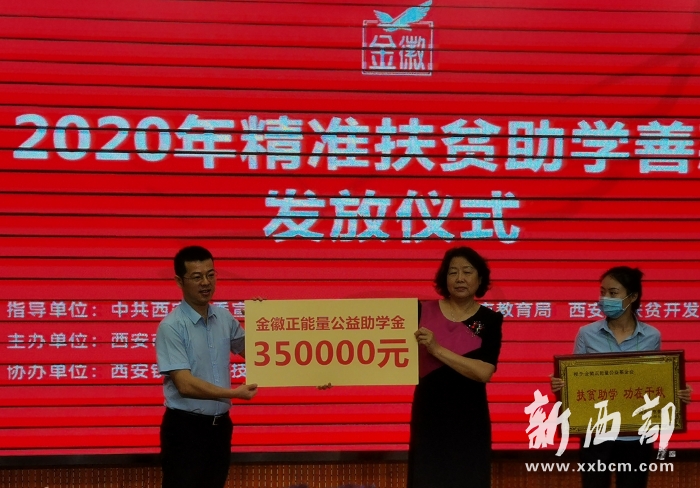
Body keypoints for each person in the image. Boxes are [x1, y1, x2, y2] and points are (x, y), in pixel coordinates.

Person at [551, 266, 692, 488]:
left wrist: (677, 391)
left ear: (632, 297)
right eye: (602, 292)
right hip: (596, 433)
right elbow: (575, 377)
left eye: (613, 293)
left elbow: (655, 380)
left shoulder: (652, 336)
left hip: (637, 434)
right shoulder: (587, 333)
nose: (605, 298)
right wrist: (560, 383)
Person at [155, 246, 258, 488]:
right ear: (179, 281)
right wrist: (233, 393)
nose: (206, 283)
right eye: (197, 276)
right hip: (185, 430)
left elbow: (261, 355)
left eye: (211, 275)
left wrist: (263, 317)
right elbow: (185, 384)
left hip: (220, 428)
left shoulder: (224, 318)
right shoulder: (171, 326)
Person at [408, 246, 503, 488]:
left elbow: (484, 371)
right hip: (429, 417)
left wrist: (437, 349)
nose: (460, 278)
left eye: (467, 272)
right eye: (453, 272)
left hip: (469, 419)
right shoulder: (420, 312)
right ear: (444, 278)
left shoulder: (487, 321)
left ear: (479, 279)